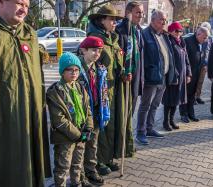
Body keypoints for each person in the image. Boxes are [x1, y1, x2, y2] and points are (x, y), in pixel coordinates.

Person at [0, 0, 51, 186]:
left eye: (27, 6)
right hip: (0, 118)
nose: (24, 9)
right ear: (1, 2)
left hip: (30, 115)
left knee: (28, 166)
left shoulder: (29, 33)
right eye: (19, 3)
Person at [86, 4, 132, 183]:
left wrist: (123, 73)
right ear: (101, 20)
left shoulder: (113, 38)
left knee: (112, 123)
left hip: (114, 88)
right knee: (101, 125)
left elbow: (116, 63)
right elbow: (90, 62)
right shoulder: (94, 39)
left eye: (115, 20)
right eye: (111, 19)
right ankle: (97, 161)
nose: (114, 23)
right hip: (99, 89)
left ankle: (109, 157)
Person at [47, 52, 94, 187]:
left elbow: (87, 110)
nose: (74, 73)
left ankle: (76, 183)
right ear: (62, 72)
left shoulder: (79, 87)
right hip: (65, 137)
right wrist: (78, 135)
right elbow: (59, 119)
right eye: (69, 69)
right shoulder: (55, 91)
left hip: (81, 134)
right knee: (63, 166)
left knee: (77, 163)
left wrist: (88, 128)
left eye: (76, 70)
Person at [136, 10, 176, 145]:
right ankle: (140, 132)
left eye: (165, 20)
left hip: (163, 77)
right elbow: (142, 58)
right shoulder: (145, 34)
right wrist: (147, 72)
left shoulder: (164, 35)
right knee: (145, 105)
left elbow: (169, 54)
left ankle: (149, 128)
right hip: (151, 78)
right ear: (153, 20)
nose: (164, 22)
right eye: (161, 20)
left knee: (155, 105)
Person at [77, 35, 110, 186]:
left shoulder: (100, 69)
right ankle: (80, 175)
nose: (97, 54)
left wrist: (105, 111)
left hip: (96, 112)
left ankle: (91, 170)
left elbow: (104, 92)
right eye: (94, 50)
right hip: (82, 115)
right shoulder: (76, 69)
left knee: (93, 144)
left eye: (99, 51)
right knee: (81, 145)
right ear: (83, 50)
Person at [162, 22, 192, 131]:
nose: (179, 33)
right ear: (171, 31)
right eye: (176, 31)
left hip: (182, 76)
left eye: (180, 31)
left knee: (177, 100)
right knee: (169, 100)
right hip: (173, 76)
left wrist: (188, 73)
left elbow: (186, 59)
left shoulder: (182, 42)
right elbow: (168, 60)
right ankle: (166, 121)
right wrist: (175, 74)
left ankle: (171, 120)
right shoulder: (168, 41)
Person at [116, 1, 145, 113]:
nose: (141, 15)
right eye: (138, 12)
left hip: (135, 79)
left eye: (142, 13)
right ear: (128, 12)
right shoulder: (119, 31)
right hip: (123, 80)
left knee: (130, 113)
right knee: (123, 113)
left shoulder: (138, 31)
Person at [179, 26, 209, 123]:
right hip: (187, 73)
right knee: (185, 95)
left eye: (206, 38)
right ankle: (183, 114)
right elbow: (183, 59)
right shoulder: (187, 41)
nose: (205, 40)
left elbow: (203, 55)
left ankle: (191, 113)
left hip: (197, 72)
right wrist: (187, 73)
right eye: (204, 37)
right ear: (198, 34)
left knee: (192, 95)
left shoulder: (202, 43)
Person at [194, 22, 212, 105]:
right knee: (195, 81)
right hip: (197, 63)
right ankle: (193, 98)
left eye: (208, 29)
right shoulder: (197, 37)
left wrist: (208, 64)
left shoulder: (210, 39)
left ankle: (198, 96)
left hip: (204, 64)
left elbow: (209, 51)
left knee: (200, 82)